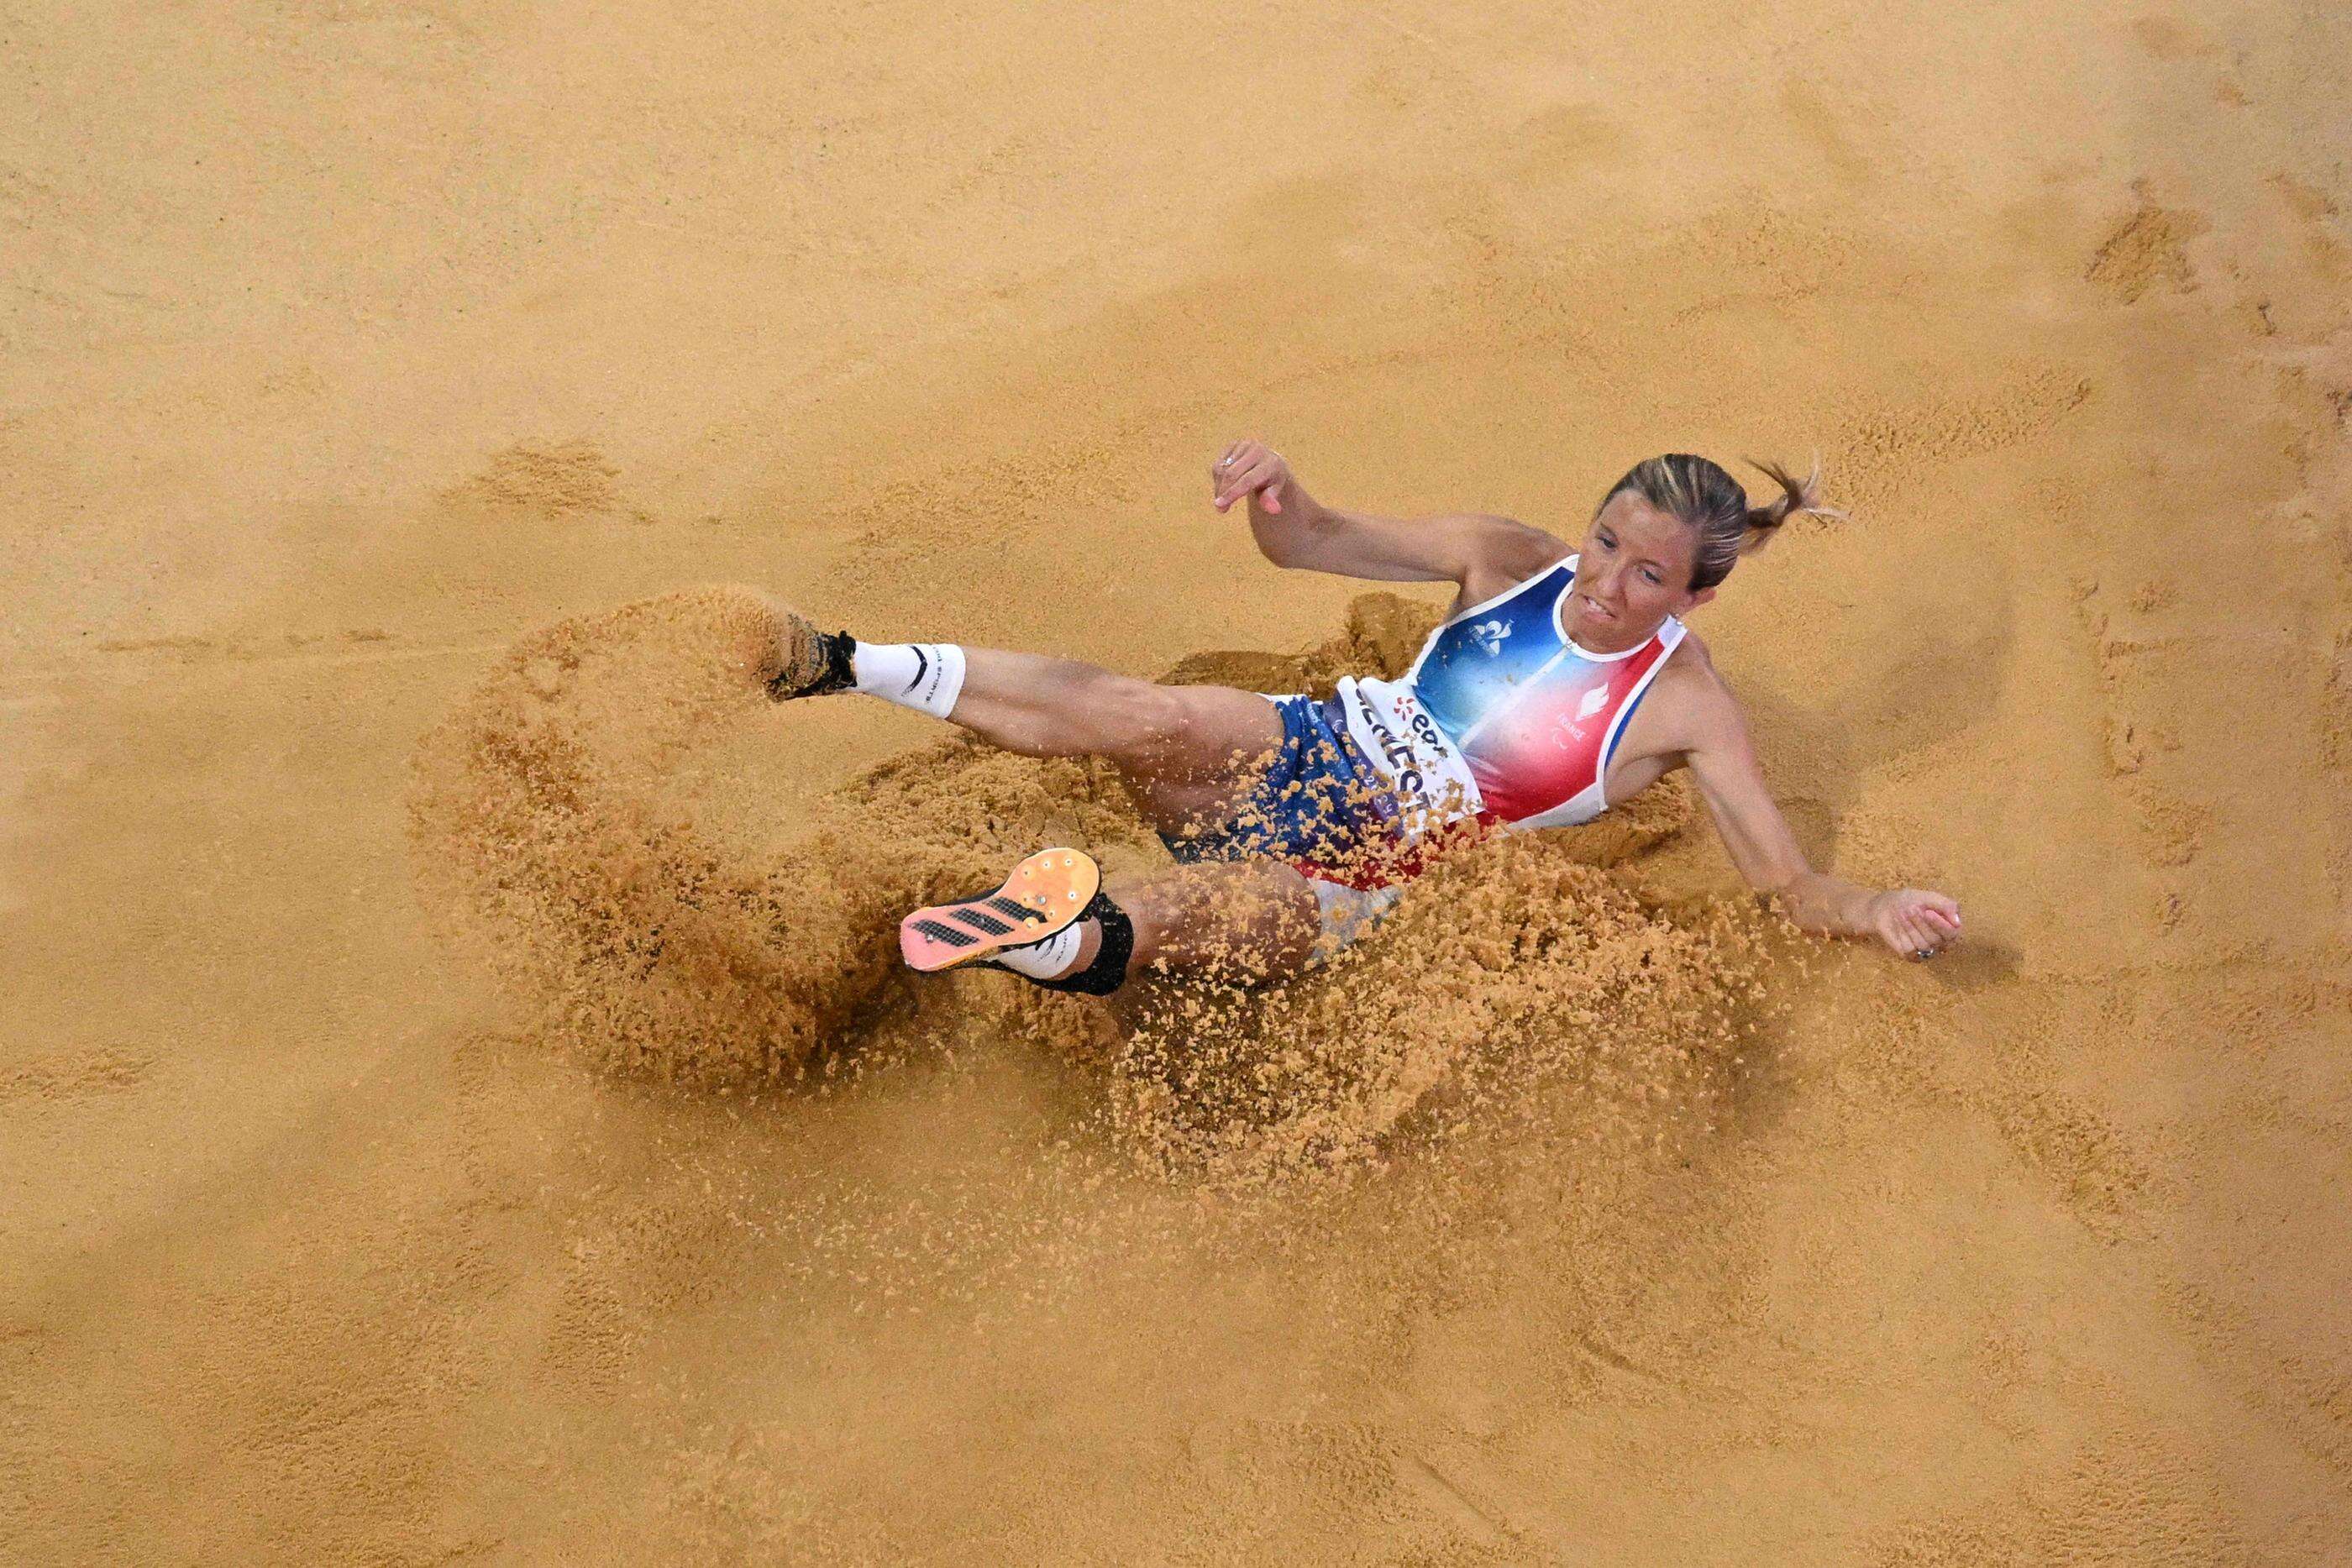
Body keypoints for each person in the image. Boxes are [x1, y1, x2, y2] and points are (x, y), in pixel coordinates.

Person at [764, 442, 1962, 998]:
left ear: (1698, 595)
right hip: (1308, 747)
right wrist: (1275, 496)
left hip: (1367, 870)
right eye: (1607, 542)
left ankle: (1045, 941)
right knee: (1153, 713)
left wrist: (1876, 909)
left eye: (1649, 576)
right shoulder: (1508, 559)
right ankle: (845, 660)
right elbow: (1316, 543)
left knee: (1202, 916)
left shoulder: (1690, 707)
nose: (1607, 582)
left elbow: (1787, 887)